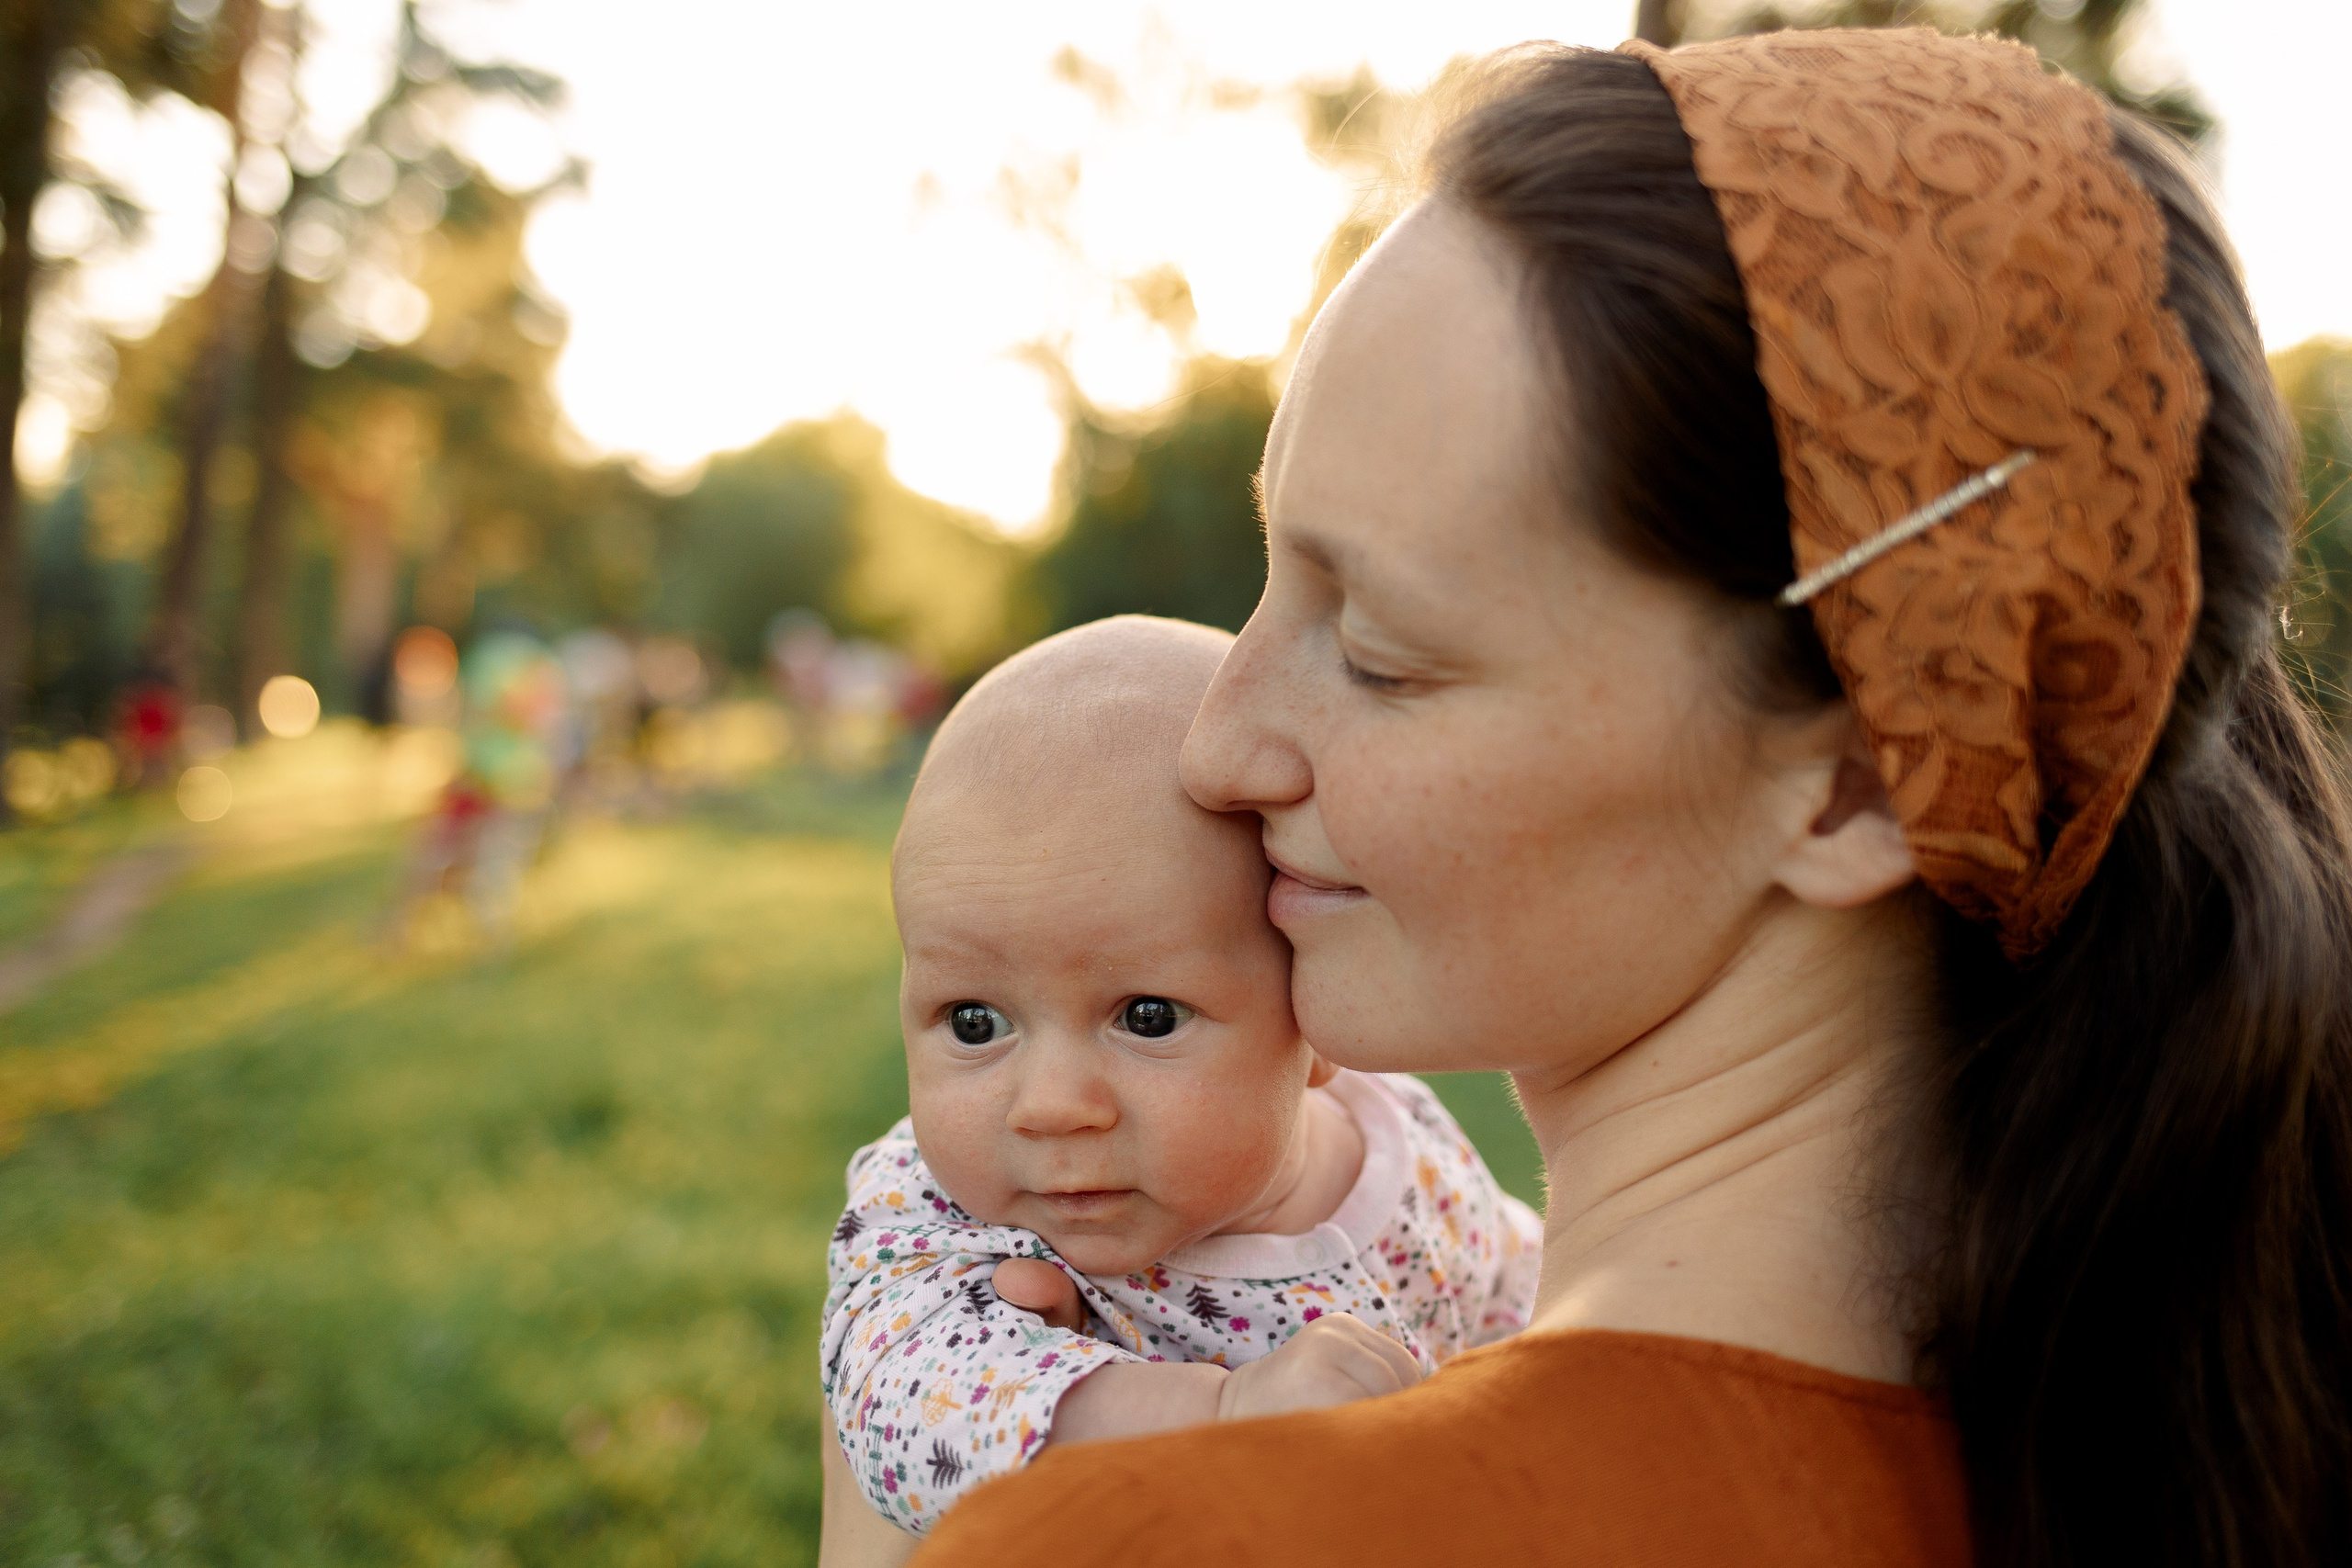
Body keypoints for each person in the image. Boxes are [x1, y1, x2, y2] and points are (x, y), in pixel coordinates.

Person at [882, 29, 2352, 1568]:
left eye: (1377, 651)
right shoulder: (2217, 1450)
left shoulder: (1169, 1531)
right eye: (1268, 586)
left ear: (1857, 783)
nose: (1218, 743)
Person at [823, 615, 1541, 1538]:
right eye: (975, 1022)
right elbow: (910, 1414)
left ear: (1313, 1010)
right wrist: (1221, 1415)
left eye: (1147, 1017)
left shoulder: (1406, 1146)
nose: (1052, 1106)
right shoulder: (940, 1220)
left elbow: (1523, 1307)